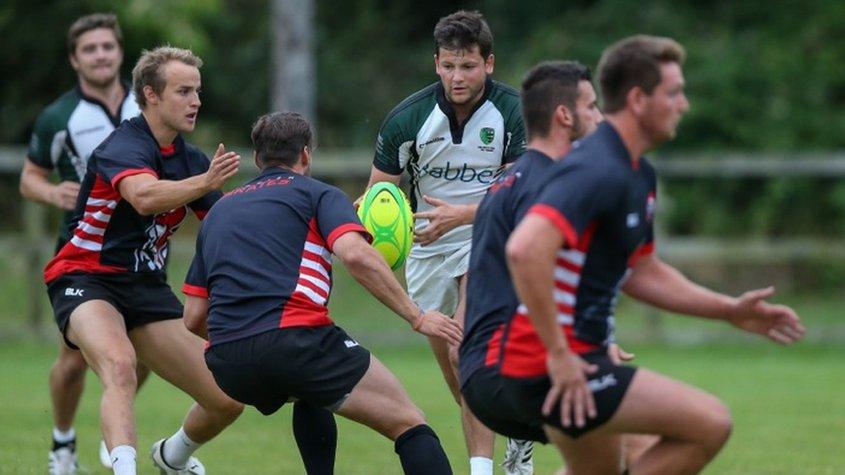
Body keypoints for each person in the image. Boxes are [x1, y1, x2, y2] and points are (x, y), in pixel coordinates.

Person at [503, 35, 806, 474]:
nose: (683, 104)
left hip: (574, 360)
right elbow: (524, 249)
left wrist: (729, 310)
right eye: (674, 92)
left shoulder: (637, 173)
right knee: (709, 423)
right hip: (556, 365)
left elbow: (643, 272)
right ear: (638, 99)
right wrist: (559, 354)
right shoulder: (596, 167)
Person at [181, 111, 462, 475]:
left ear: (256, 159)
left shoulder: (219, 212)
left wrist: (243, 338)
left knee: (310, 393)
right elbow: (357, 256)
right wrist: (417, 316)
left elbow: (193, 316)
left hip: (227, 363)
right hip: (294, 341)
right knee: (409, 422)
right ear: (306, 155)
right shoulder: (319, 194)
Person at [42, 46, 246, 475]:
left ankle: (172, 456)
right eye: (184, 91)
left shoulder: (190, 160)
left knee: (227, 398)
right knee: (119, 364)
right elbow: (143, 196)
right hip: (86, 278)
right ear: (150, 94)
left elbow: (226, 227)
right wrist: (205, 182)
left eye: (198, 91)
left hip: (145, 288)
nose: (196, 101)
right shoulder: (124, 145)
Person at [362, 10, 531, 475]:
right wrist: (379, 227)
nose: (458, 77)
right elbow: (380, 194)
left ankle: (482, 469)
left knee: (464, 347)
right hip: (427, 249)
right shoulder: (408, 118)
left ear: (489, 64)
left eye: (469, 66)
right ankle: (514, 425)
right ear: (436, 63)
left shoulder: (514, 113)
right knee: (456, 368)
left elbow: (526, 192)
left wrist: (464, 214)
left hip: (489, 238)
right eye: (449, 66)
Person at [18, 13, 150, 474]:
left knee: (147, 350)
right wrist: (51, 191)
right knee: (73, 363)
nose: (100, 55)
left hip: (143, 247)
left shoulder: (147, 103)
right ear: (76, 60)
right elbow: (30, 178)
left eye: (107, 47)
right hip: (82, 252)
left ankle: (116, 432)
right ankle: (62, 442)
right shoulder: (59, 117)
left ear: (120, 53)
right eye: (90, 49)